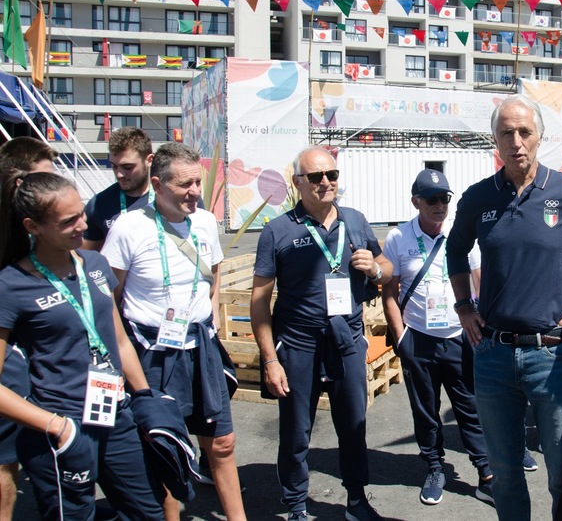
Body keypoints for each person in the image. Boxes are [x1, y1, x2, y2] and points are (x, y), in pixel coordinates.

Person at [446, 94, 562, 520]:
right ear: (494, 139)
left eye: (525, 132)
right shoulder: (477, 198)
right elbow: (455, 252)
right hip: (492, 356)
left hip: (555, 355)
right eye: (506, 133)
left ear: (540, 138)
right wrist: (463, 306)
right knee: (505, 474)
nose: (516, 142)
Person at [0, 172, 164, 520]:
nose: (82, 225)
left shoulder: (96, 263)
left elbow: (118, 340)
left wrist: (145, 398)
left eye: (82, 214)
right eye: (68, 220)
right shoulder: (11, 285)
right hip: (62, 424)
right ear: (33, 226)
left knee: (148, 512)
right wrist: (57, 427)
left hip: (114, 413)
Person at [102, 143, 246, 521]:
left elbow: (213, 271)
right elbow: (109, 299)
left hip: (200, 346)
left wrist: (211, 316)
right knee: (164, 446)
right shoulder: (128, 228)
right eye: (185, 185)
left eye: (198, 182)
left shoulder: (204, 222)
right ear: (157, 185)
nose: (196, 192)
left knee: (223, 443)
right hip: (152, 354)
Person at [250, 146, 391, 521]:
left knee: (353, 426)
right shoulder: (277, 231)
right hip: (297, 344)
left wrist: (375, 270)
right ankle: (295, 505)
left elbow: (386, 267)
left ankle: (357, 500)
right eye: (315, 177)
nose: (326, 183)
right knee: (296, 432)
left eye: (332, 175)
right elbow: (259, 301)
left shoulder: (356, 221)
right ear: (298, 183)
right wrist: (269, 359)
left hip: (345, 340)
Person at [381, 169, 493, 506]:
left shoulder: (462, 235)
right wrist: (401, 337)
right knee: (426, 411)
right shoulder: (399, 238)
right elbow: (389, 291)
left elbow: (481, 281)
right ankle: (434, 467)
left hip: (459, 337)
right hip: (420, 338)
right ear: (416, 201)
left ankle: (486, 473)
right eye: (432, 199)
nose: (440, 205)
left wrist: (481, 325)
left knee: (470, 407)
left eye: (445, 198)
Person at [0, 136, 58, 521]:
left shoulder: (37, 227)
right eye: (46, 179)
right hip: (12, 353)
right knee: (5, 455)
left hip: (38, 347)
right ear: (20, 183)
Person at [83, 127, 154, 251]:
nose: (119, 174)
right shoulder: (98, 204)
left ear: (149, 160)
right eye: (114, 166)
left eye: (127, 167)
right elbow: (85, 259)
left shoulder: (175, 197)